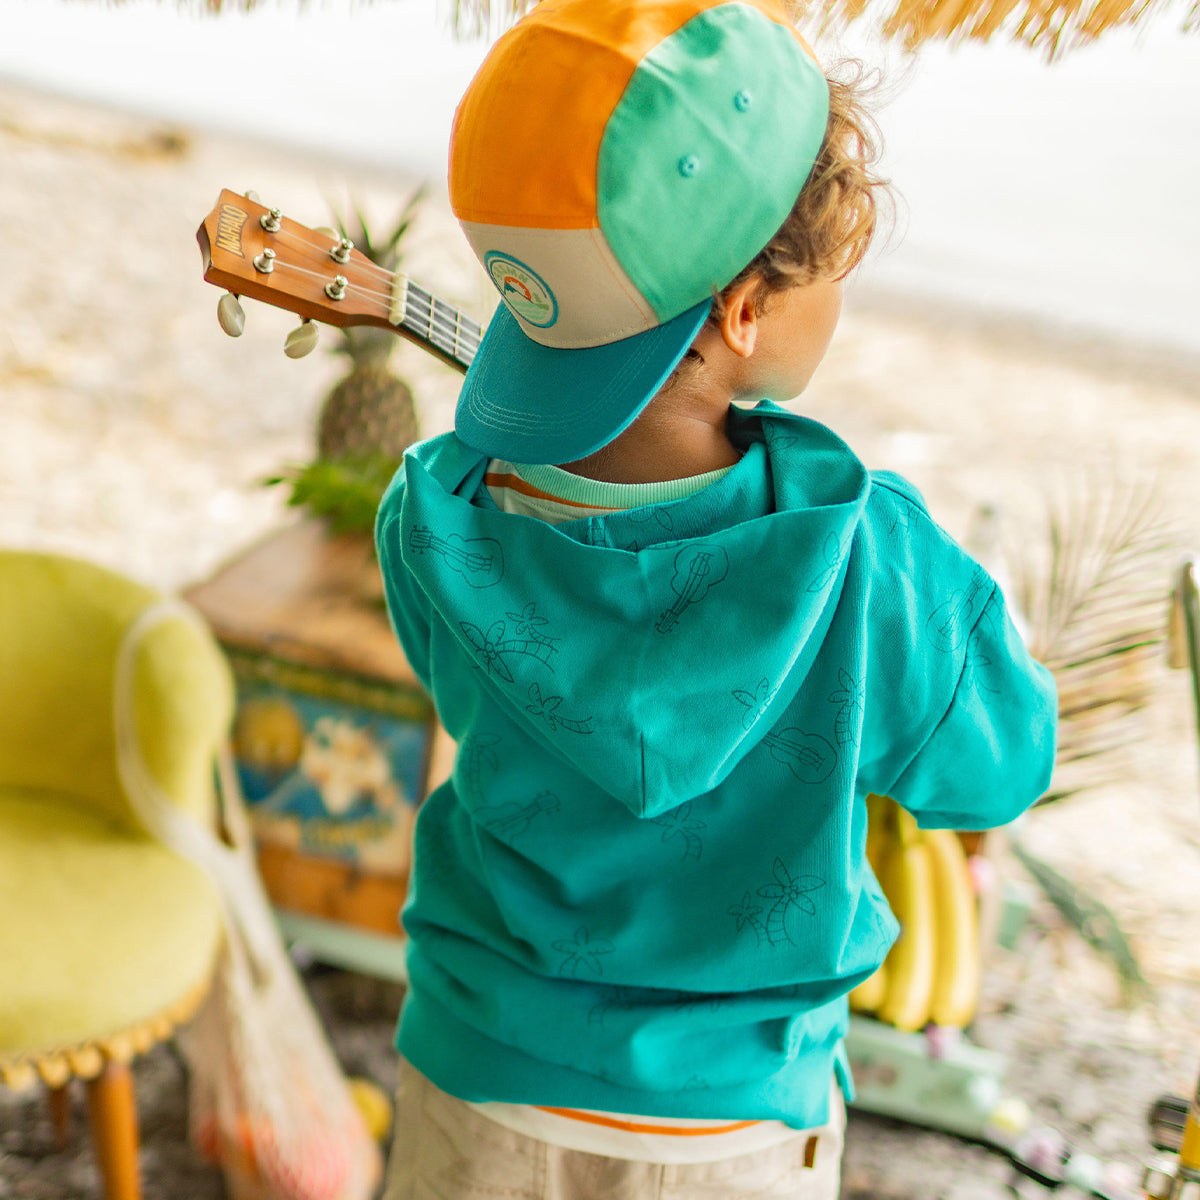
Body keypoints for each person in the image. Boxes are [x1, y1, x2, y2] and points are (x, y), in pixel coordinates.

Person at [375, 1, 1058, 1196]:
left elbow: (477, 692)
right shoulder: (866, 556)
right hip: (729, 1132)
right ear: (745, 310)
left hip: (473, 1081)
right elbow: (998, 769)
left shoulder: (431, 515)